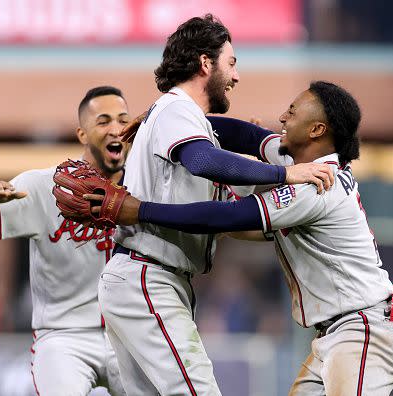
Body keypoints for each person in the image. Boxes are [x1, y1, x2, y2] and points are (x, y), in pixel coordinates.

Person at [92, 81, 393, 396]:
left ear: (316, 130)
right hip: (341, 331)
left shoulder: (318, 183)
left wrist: (141, 210)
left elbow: (232, 218)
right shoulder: (298, 162)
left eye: (292, 111)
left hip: (364, 330)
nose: (284, 118)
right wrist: (160, 121)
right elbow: (246, 135)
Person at [96, 14, 335, 396]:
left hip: (145, 279)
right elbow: (203, 160)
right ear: (206, 63)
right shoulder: (177, 110)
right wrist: (285, 176)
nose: (236, 76)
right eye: (231, 62)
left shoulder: (184, 116)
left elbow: (228, 142)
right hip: (148, 276)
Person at [0, 86, 129, 396]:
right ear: (82, 133)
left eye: (122, 119)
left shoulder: (147, 186)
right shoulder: (42, 186)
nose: (116, 128)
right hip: (65, 336)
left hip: (132, 334)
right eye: (103, 121)